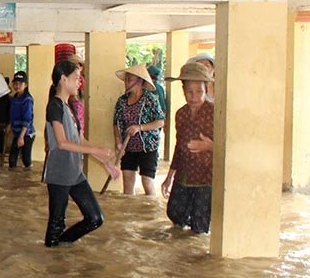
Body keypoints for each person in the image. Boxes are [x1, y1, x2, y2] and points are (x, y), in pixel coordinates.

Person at [43, 60, 120, 247]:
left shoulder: (70, 108)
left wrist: (105, 161)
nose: (79, 82)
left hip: (75, 173)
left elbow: (80, 140)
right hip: (59, 174)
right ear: (63, 79)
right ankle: (54, 261)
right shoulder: (54, 106)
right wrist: (95, 150)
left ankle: (64, 246)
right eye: (76, 78)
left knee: (95, 218)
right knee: (56, 225)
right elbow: (61, 142)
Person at [162, 63, 215, 234]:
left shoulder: (215, 113)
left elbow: (232, 145)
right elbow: (179, 146)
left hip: (207, 175)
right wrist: (169, 176)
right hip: (184, 172)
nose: (194, 97)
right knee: (174, 212)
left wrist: (210, 146)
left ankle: (197, 255)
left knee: (200, 225)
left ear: (206, 90)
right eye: (190, 92)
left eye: (199, 91)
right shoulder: (181, 114)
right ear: (183, 91)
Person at [113, 64, 165, 195]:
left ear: (139, 81)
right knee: (127, 183)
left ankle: (150, 213)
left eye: (129, 79)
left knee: (147, 182)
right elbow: (116, 123)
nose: (126, 82)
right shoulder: (122, 101)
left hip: (148, 147)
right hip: (129, 147)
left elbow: (160, 121)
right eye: (126, 79)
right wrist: (118, 142)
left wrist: (139, 128)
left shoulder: (150, 99)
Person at [7, 70, 35, 168]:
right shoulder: (15, 98)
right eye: (15, 83)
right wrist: (9, 127)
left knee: (26, 160)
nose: (17, 86)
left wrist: (21, 137)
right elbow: (13, 115)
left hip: (26, 134)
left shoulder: (27, 99)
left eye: (20, 83)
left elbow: (27, 119)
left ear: (26, 85)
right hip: (17, 133)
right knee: (12, 160)